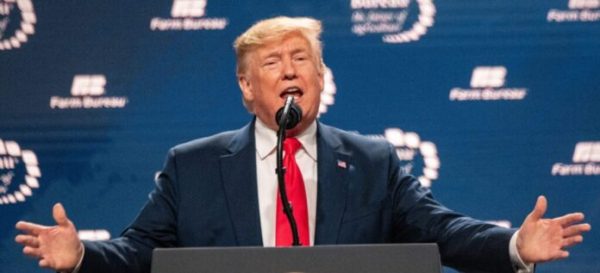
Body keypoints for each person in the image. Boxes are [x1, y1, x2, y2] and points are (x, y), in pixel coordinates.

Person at [15, 16, 590, 273]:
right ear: (247, 86)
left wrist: (513, 244)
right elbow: (140, 251)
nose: (291, 71)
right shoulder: (191, 167)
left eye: (302, 61)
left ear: (320, 78)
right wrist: (83, 257)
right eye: (273, 62)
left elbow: (441, 231)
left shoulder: (370, 161)